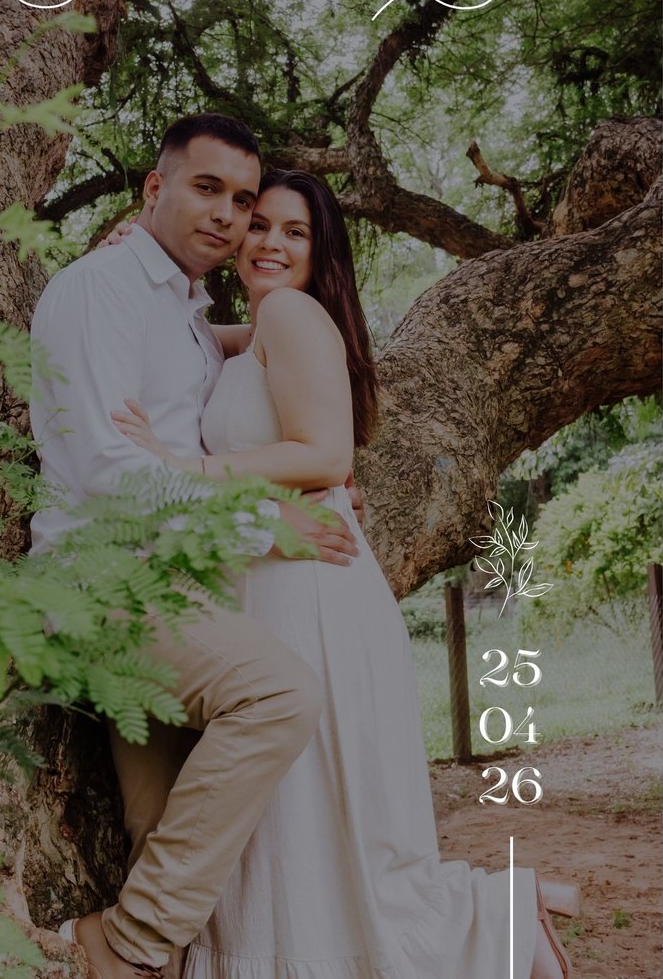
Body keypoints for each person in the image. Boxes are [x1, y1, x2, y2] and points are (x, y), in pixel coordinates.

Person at [105, 168, 578, 979]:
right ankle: (494, 916)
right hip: (281, 585)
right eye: (260, 226)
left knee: (320, 825)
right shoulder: (256, 331)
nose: (272, 244)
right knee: (300, 831)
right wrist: (133, 250)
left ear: (320, 253)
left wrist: (180, 466)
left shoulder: (290, 314)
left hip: (310, 596)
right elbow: (187, 332)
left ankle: (498, 921)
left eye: (297, 233)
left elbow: (327, 453)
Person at [27, 114, 362, 979]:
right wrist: (265, 522)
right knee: (280, 694)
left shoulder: (183, 311)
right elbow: (107, 469)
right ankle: (126, 944)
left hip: (176, 584)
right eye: (207, 188)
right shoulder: (103, 289)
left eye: (243, 201)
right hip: (105, 581)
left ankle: (152, 955)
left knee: (163, 827)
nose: (228, 215)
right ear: (154, 188)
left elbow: (254, 363)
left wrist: (289, 329)